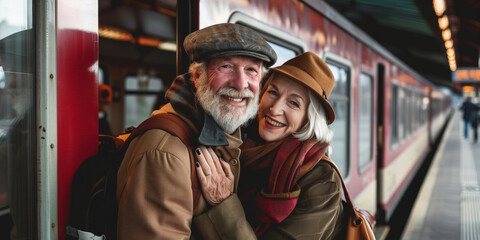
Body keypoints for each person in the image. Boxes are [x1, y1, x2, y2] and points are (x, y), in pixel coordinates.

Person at [116, 23, 277, 239]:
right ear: (197, 77)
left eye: (251, 70)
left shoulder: (227, 132)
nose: (240, 84)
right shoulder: (166, 152)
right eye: (226, 67)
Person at [193, 52, 346, 239]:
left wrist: (223, 202)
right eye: (273, 92)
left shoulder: (322, 181)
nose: (275, 109)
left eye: (293, 103)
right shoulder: (241, 144)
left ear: (308, 119)